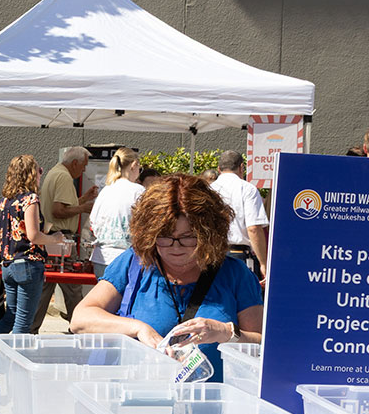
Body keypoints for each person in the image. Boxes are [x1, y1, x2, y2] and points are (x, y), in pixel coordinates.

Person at [71, 173, 263, 383]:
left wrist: (225, 332)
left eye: (188, 237)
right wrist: (138, 328)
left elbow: (262, 346)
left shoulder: (235, 274)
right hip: (144, 401)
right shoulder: (135, 263)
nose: (175, 247)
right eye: (164, 236)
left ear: (208, 233)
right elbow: (80, 319)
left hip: (211, 402)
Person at [0, 154, 68, 380]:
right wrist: (56, 238)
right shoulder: (30, 200)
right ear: (31, 174)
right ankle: (15, 373)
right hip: (28, 265)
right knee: (23, 321)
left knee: (10, 318)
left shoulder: (4, 202)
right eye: (39, 171)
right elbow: (34, 235)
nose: (41, 175)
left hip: (8, 265)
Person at [31, 146, 99, 332]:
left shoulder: (56, 173)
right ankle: (81, 328)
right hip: (61, 240)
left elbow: (63, 205)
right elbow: (59, 211)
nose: (84, 170)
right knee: (72, 287)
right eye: (83, 165)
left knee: (48, 288)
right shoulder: (64, 177)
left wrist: (83, 199)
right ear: (75, 163)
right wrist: (84, 208)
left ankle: (31, 329)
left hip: (54, 239)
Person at [209, 150, 269, 282]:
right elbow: (253, 228)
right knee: (244, 300)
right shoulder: (248, 189)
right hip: (239, 256)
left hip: (212, 255)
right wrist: (263, 263)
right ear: (242, 167)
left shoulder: (208, 190)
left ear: (219, 169)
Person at [87, 147, 144, 277]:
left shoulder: (105, 191)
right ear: (134, 165)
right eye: (139, 169)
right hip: (127, 257)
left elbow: (93, 223)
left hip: (101, 257)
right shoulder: (138, 191)